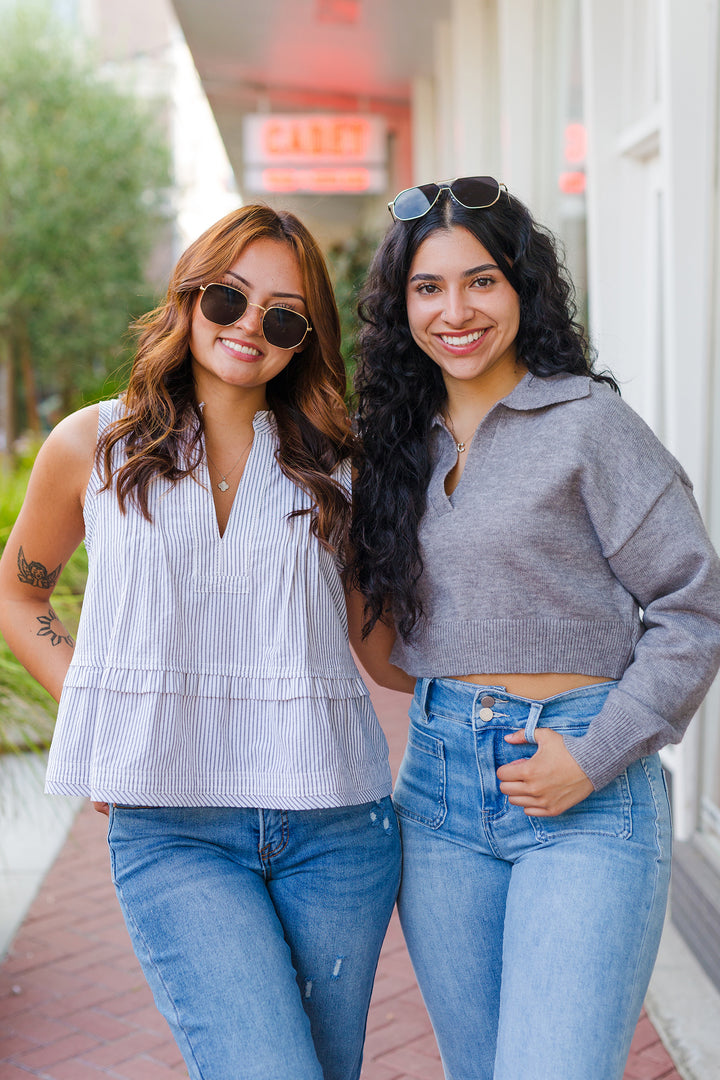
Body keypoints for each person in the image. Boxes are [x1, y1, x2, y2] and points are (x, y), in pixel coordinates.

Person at [0, 204, 401, 1080]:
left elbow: (384, 653)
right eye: (229, 298)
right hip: (173, 829)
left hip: (336, 821)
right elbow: (18, 588)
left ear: (305, 341)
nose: (250, 326)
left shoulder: (342, 470)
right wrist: (96, 705)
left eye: (284, 315)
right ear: (188, 297)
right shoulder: (93, 446)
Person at [346, 176, 720, 1080]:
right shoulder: (398, 443)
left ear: (522, 288)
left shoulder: (589, 424)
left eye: (481, 281)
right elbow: (394, 639)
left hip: (583, 788)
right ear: (401, 308)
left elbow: (693, 605)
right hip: (436, 795)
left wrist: (592, 751)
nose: (455, 311)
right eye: (427, 289)